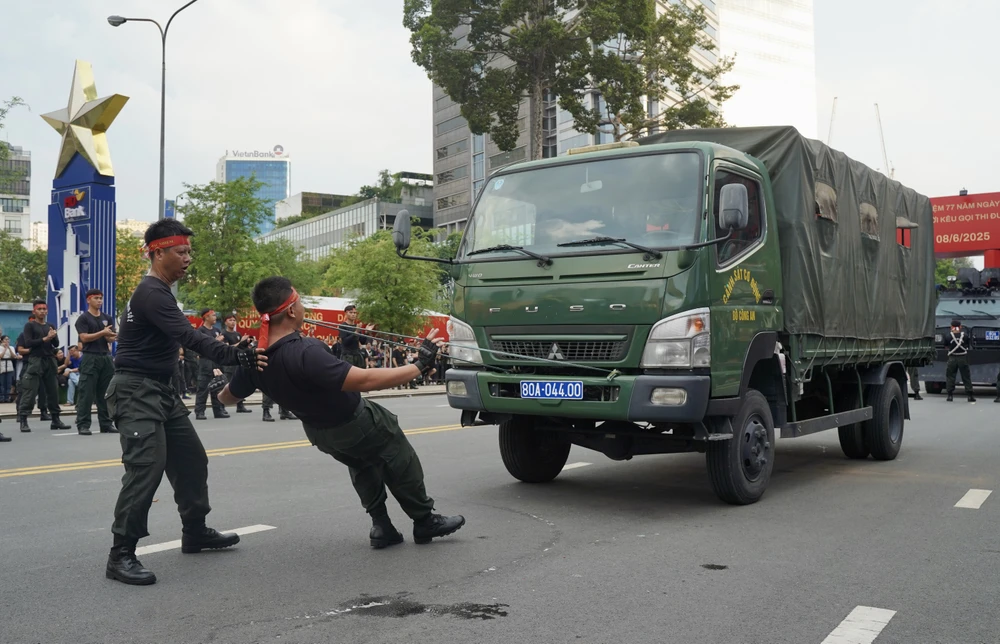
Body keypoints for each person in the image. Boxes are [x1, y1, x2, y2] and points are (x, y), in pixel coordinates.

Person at [219, 276, 465, 549]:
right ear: (290, 311)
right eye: (299, 301)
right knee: (398, 457)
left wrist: (225, 378)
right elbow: (365, 380)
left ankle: (381, 526)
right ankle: (424, 520)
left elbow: (227, 397)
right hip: (355, 422)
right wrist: (419, 365)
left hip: (320, 434)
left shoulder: (255, 359)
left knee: (362, 464)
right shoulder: (306, 351)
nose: (302, 307)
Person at [104, 219, 266, 586]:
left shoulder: (160, 292)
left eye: (189, 251)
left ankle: (194, 531)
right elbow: (188, 337)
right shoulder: (151, 293)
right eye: (181, 251)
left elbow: (187, 337)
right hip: (135, 390)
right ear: (158, 253)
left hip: (160, 391)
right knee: (146, 467)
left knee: (191, 460)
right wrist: (233, 355)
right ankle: (120, 554)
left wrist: (232, 350)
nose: (188, 258)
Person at [17, 301, 71, 432]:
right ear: (34, 311)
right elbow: (28, 343)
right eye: (39, 309)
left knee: (53, 391)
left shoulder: (49, 325)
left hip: (49, 360)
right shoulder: (30, 325)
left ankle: (56, 420)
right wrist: (45, 339)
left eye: (44, 309)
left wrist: (53, 336)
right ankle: (23, 420)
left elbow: (56, 344)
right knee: (30, 391)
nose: (42, 311)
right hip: (35, 360)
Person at [75, 288, 117, 435]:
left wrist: (112, 336)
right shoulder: (83, 318)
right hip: (90, 357)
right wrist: (102, 333)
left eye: (100, 298)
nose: (99, 301)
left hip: (105, 356)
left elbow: (109, 338)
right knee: (86, 392)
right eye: (96, 298)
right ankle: (83, 424)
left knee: (105, 393)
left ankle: (106, 423)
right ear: (88, 300)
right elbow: (84, 338)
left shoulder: (107, 317)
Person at [193, 309, 229, 420]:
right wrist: (215, 340)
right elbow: (200, 347)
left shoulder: (217, 330)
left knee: (218, 385)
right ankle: (200, 411)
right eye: (213, 315)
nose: (215, 317)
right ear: (206, 317)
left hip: (216, 361)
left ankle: (218, 410)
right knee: (203, 387)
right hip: (205, 362)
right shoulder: (200, 331)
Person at [220, 313, 252, 414]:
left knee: (240, 383)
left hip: (238, 362)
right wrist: (240, 343)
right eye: (230, 320)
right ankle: (221, 407)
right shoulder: (223, 334)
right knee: (226, 384)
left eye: (234, 320)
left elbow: (241, 347)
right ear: (225, 322)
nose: (232, 322)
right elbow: (227, 348)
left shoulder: (237, 334)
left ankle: (240, 405)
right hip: (228, 363)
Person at [945, 319, 975, 403]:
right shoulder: (965, 335)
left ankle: (950, 395)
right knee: (966, 376)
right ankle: (970, 395)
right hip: (962, 358)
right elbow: (967, 345)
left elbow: (946, 346)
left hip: (952, 358)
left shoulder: (948, 336)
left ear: (951, 327)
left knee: (950, 376)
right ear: (960, 327)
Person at [339, 305, 373, 369]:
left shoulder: (356, 326)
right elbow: (345, 342)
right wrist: (355, 332)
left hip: (357, 355)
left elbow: (362, 341)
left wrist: (366, 332)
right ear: (346, 313)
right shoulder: (343, 326)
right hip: (347, 356)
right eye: (351, 312)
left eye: (355, 313)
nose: (353, 314)